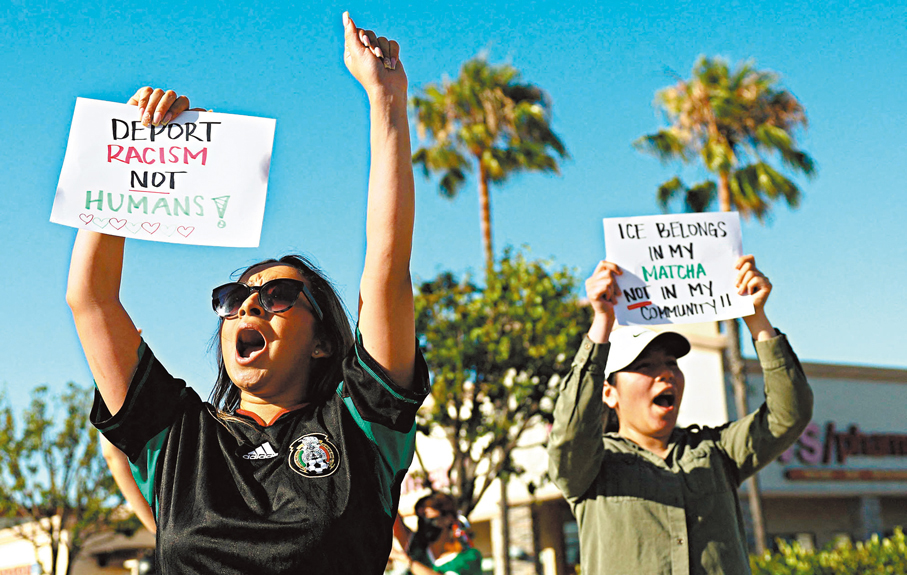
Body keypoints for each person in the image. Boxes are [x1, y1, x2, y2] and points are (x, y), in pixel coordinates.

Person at [67, 13, 429, 574]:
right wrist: (132, 151)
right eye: (233, 299)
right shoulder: (178, 435)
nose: (249, 305)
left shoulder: (361, 425)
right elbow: (91, 299)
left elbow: (386, 271)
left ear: (323, 342)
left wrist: (386, 101)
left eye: (280, 295)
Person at [547, 256, 813, 575]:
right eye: (645, 366)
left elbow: (789, 414)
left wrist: (757, 320)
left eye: (671, 363)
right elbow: (570, 434)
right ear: (608, 392)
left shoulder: (718, 450)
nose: (665, 374)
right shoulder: (591, 468)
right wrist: (602, 322)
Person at [390, 492, 482, 575]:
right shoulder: (417, 548)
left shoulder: (469, 557)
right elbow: (393, 515)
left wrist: (408, 561)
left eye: (430, 519)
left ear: (449, 518)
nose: (425, 524)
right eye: (421, 519)